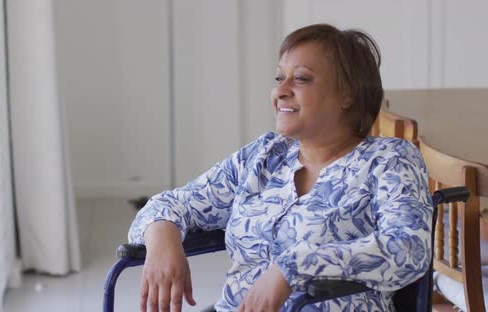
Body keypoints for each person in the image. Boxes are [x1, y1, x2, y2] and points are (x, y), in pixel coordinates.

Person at [128, 24, 432, 312]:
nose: (281, 91)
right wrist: (162, 238)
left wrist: (293, 267)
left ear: (346, 93)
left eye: (300, 79)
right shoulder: (264, 155)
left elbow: (409, 249)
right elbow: (172, 204)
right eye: (279, 79)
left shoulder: (389, 160)